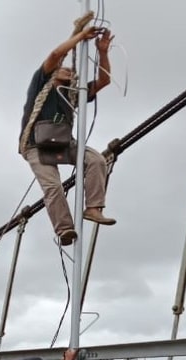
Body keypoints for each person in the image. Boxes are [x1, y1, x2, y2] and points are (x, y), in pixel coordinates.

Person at [19, 26, 117, 246]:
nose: (69, 71)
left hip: (62, 143)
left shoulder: (73, 95)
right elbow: (55, 55)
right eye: (64, 69)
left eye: (71, 71)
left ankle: (93, 208)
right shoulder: (41, 84)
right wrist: (80, 36)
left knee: (96, 160)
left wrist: (102, 52)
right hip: (36, 145)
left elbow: (104, 81)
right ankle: (64, 229)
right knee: (53, 187)